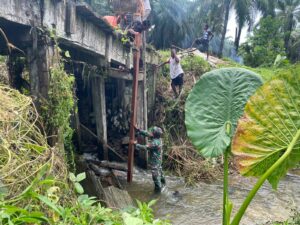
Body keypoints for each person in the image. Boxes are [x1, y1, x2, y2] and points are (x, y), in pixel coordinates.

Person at [135, 126, 166, 192]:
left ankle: (158, 190)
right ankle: (164, 184)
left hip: (155, 162)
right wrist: (139, 130)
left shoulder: (155, 143)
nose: (151, 132)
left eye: (152, 131)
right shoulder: (158, 138)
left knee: (155, 176)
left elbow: (145, 147)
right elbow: (147, 134)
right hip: (159, 160)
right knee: (160, 172)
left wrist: (135, 144)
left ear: (154, 134)